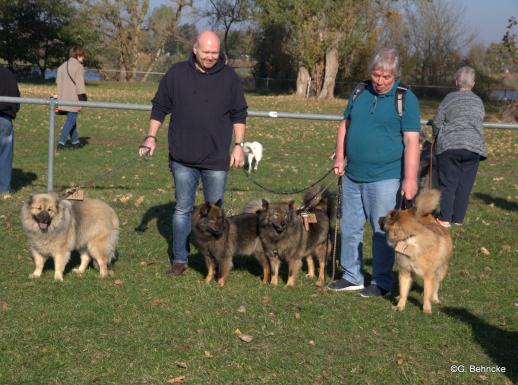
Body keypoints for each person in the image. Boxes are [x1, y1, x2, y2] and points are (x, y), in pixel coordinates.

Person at [138, 31, 247, 277]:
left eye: (215, 53)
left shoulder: (230, 78)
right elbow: (160, 107)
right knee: (182, 209)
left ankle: (217, 259)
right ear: (195, 49)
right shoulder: (177, 74)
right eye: (206, 52)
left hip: (216, 159)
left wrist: (239, 145)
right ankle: (180, 259)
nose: (210, 57)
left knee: (218, 215)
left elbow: (239, 114)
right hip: (182, 158)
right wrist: (151, 137)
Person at [329, 48, 421, 297]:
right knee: (349, 226)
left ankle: (381, 281)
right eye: (376, 75)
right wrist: (340, 157)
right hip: (352, 174)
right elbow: (344, 125)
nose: (380, 81)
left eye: (386, 77)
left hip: (386, 177)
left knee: (382, 230)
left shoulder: (406, 99)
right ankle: (351, 275)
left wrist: (410, 179)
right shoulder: (360, 91)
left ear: (396, 76)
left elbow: (412, 141)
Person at [432, 66, 486, 228]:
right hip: (473, 146)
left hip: (450, 145)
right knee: (465, 184)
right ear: (473, 84)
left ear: (456, 82)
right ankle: (458, 218)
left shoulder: (450, 98)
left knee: (449, 182)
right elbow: (480, 119)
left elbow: (437, 121)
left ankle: (445, 218)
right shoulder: (478, 101)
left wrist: (436, 135)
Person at [56, 46, 87, 150]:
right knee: (70, 121)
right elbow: (80, 85)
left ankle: (75, 142)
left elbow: (58, 83)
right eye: (82, 56)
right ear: (77, 55)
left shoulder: (62, 66)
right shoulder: (78, 67)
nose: (83, 58)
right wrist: (83, 97)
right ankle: (61, 142)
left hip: (62, 98)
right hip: (73, 99)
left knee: (71, 120)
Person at [0, 67, 20, 195]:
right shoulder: (8, 74)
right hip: (5, 118)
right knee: (5, 154)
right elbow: (16, 96)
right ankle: (4, 189)